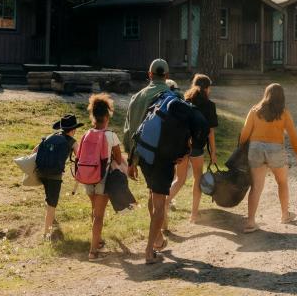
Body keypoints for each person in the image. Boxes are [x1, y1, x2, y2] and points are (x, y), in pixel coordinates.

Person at [124, 58, 187, 264]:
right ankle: (150, 251)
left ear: (149, 75)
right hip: (163, 157)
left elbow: (129, 131)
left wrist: (131, 160)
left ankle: (157, 238)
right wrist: (182, 152)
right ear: (167, 76)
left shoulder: (137, 97)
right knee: (159, 202)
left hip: (143, 157)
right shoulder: (173, 97)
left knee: (153, 194)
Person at [240, 83, 297, 233]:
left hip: (256, 148)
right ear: (282, 97)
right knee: (282, 182)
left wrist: (240, 150)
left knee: (256, 186)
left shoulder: (254, 111)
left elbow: (244, 134)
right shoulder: (284, 113)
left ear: (266, 94)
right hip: (275, 149)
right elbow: (293, 136)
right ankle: (285, 215)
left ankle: (250, 222)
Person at [75, 93, 124, 261]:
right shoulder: (111, 135)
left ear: (93, 116)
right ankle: (93, 252)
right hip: (102, 179)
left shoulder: (86, 134)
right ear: (106, 116)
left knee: (94, 211)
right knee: (99, 216)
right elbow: (118, 159)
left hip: (87, 177)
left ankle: (98, 240)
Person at [167, 74, 217, 225]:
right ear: (207, 88)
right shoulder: (209, 105)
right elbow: (210, 132)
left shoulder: (184, 100)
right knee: (197, 179)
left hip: (181, 146)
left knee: (179, 179)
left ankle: (164, 202)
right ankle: (194, 216)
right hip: (197, 148)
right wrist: (213, 152)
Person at [33, 113, 83, 241]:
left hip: (41, 172)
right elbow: (80, 158)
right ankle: (46, 235)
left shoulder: (51, 136)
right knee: (52, 204)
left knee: (49, 198)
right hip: (55, 176)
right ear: (73, 130)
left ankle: (51, 222)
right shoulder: (72, 142)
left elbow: (34, 151)